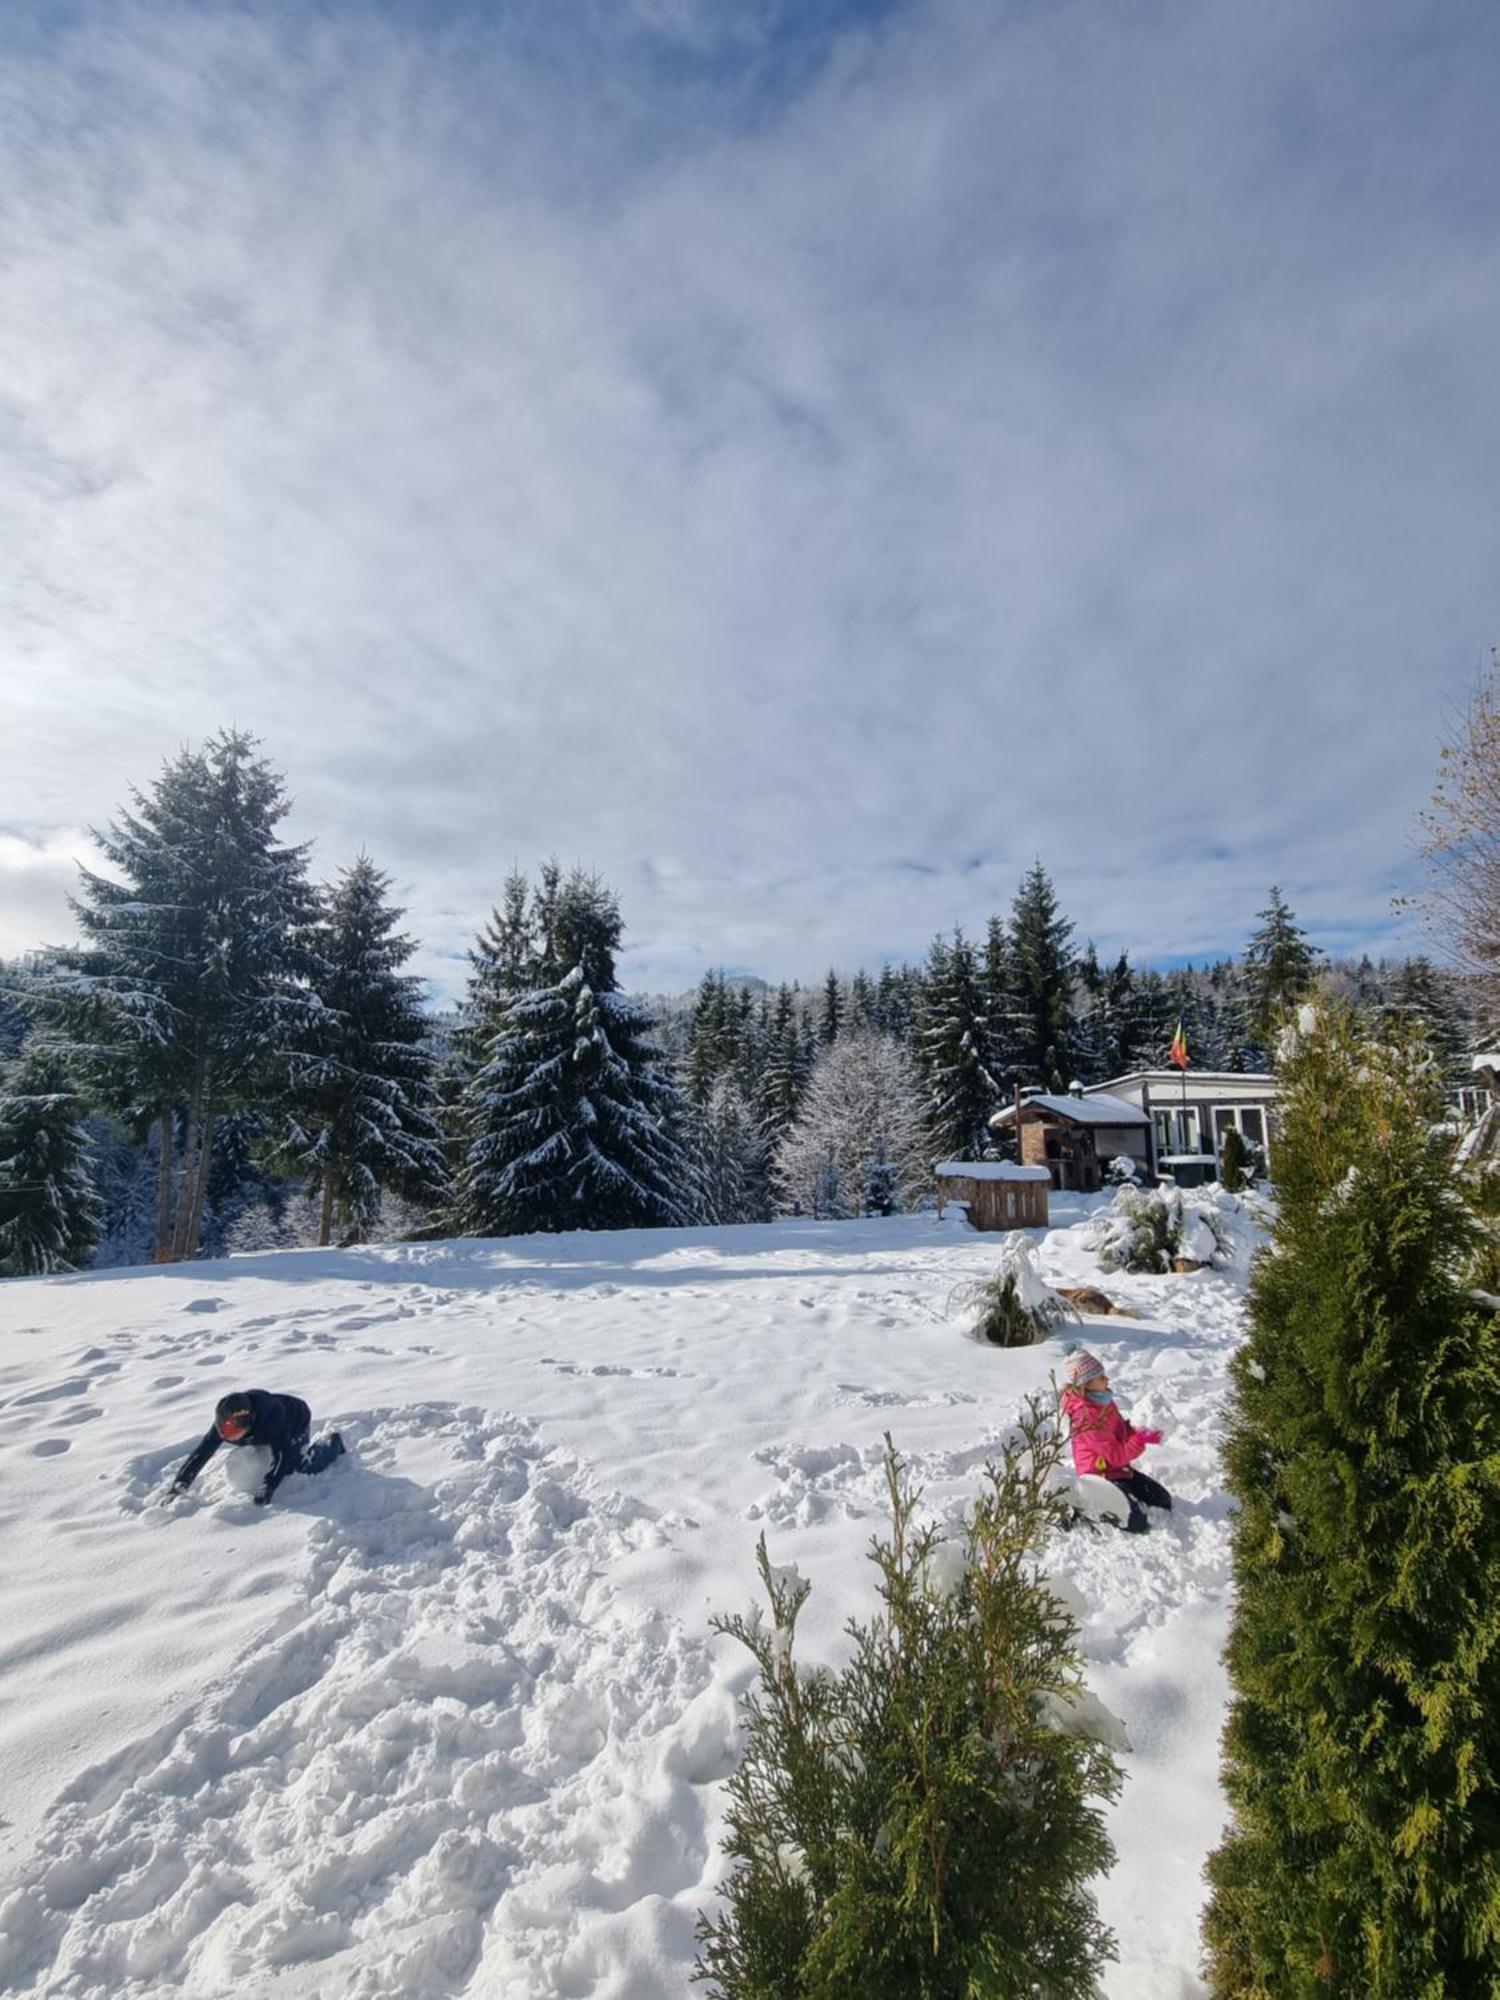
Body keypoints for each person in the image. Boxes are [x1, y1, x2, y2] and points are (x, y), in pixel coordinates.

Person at [166, 1390, 345, 1508]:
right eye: (228, 1432)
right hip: (267, 1422)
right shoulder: (221, 1427)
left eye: (238, 1430)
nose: (232, 1436)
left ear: (251, 1422)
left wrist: (267, 1487)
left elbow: (282, 1455)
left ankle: (333, 1444)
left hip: (295, 1417)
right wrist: (180, 1484)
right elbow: (201, 1453)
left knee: (296, 1466)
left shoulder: (273, 1421)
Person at [1059, 1350, 1171, 1534]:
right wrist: (1140, 1439)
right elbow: (1116, 1456)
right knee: (1136, 1522)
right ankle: (1088, 1508)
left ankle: (1124, 1495)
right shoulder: (1086, 1419)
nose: (1107, 1379)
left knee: (1163, 1500)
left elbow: (1120, 1431)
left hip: (1119, 1471)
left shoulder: (1103, 1401)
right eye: (1100, 1377)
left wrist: (1139, 1428)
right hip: (1100, 1478)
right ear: (1086, 1384)